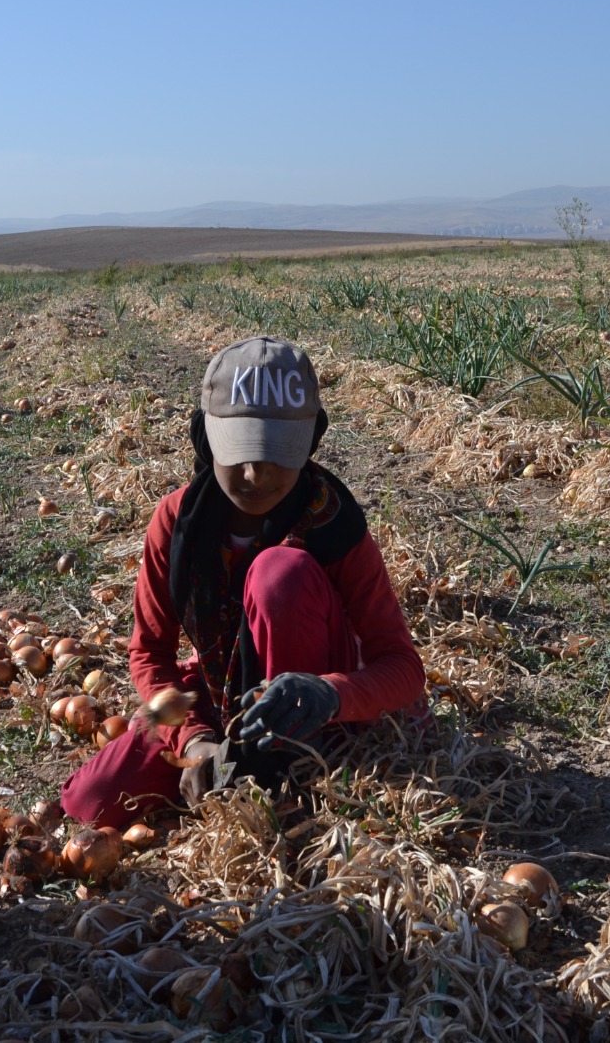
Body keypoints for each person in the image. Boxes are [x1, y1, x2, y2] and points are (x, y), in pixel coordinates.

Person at [60, 336, 426, 829]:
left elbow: (402, 668)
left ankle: (293, 765)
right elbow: (149, 654)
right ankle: (240, 757)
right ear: (204, 438)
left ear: (310, 440)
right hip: (221, 687)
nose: (256, 473)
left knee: (281, 574)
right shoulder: (176, 521)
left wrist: (329, 694)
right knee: (92, 804)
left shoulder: (332, 521)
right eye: (240, 452)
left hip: (320, 703)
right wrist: (193, 740)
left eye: (277, 453)